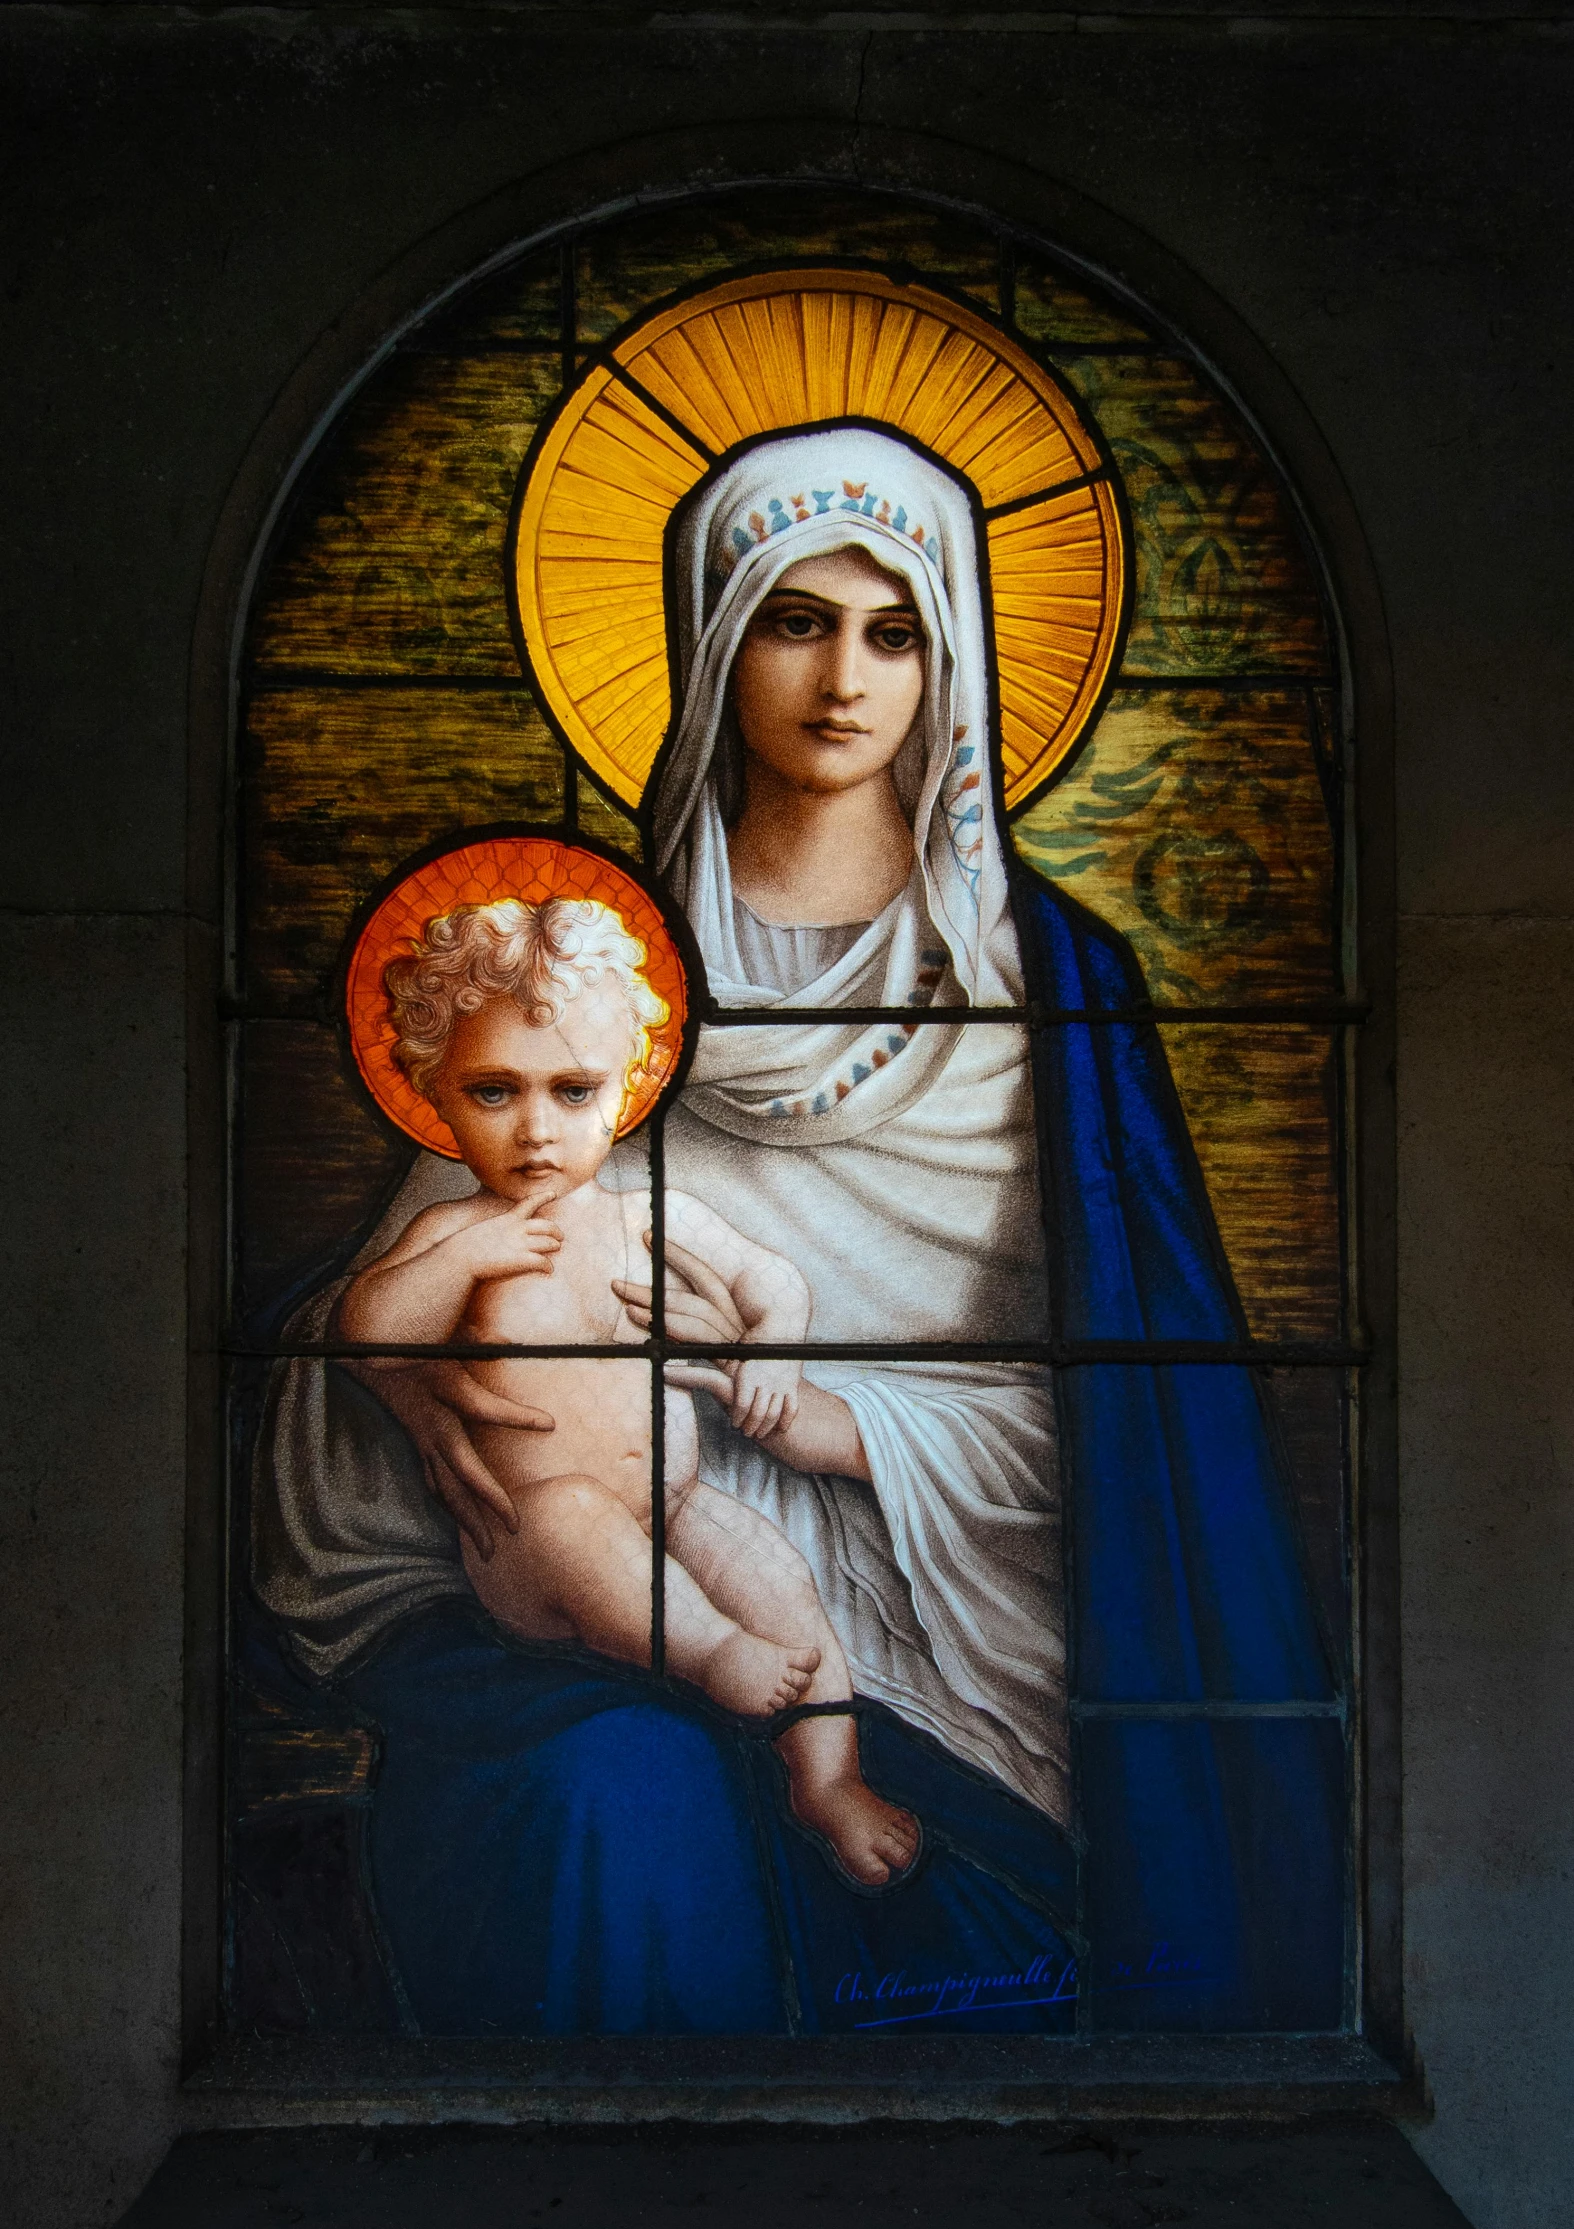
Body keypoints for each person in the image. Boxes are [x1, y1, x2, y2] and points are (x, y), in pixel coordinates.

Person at [253, 423, 1341, 2037]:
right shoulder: (574, 969)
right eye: (792, 617)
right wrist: (416, 1389)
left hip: (971, 1613)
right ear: (712, 638)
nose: (844, 676)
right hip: (605, 1584)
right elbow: (401, 1335)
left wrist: (849, 1422)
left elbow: (1153, 1416)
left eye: (892, 630)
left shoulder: (1047, 985)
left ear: (949, 660)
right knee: (608, 1794)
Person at [338, 890, 921, 1886]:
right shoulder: (452, 1237)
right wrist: (471, 1248)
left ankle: (825, 1777)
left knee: (778, 1575)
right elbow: (366, 1331)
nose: (534, 1130)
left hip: (672, 1507)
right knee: (569, 1512)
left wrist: (771, 1344)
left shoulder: (649, 1215)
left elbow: (770, 1280)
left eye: (571, 1091)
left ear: (629, 1084)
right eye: (493, 1091)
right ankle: (706, 1657)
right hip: (535, 1550)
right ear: (435, 1088)